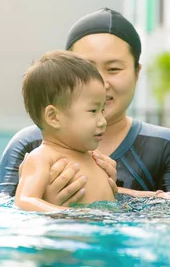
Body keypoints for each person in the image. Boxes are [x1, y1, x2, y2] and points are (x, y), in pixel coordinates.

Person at [0, 8, 170, 205]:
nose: (101, 83)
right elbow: (4, 216)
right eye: (88, 71)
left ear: (137, 73)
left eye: (113, 68)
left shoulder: (167, 147)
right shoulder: (30, 147)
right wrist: (54, 209)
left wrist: (154, 197)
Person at [15, 50, 115, 212]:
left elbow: (104, 192)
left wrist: (152, 196)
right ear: (54, 117)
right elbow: (24, 200)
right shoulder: (42, 158)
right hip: (69, 232)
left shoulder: (92, 157)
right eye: (93, 111)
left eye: (102, 110)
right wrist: (65, 214)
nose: (103, 121)